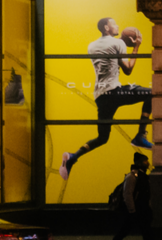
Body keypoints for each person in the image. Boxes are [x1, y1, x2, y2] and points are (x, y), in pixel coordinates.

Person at [60, 18, 152, 181]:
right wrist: (136, 46)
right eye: (114, 24)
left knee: (103, 138)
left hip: (101, 96)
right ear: (106, 27)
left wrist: (123, 42)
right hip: (114, 92)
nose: (117, 26)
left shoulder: (92, 45)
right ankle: (140, 135)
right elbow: (128, 70)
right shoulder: (118, 44)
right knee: (152, 93)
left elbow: (108, 55)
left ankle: (72, 157)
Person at [108, 152, 162, 240]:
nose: (147, 163)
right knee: (124, 231)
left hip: (142, 210)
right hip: (134, 211)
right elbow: (127, 194)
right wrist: (132, 210)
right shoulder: (132, 177)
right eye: (145, 161)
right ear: (138, 162)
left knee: (147, 231)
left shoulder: (143, 176)